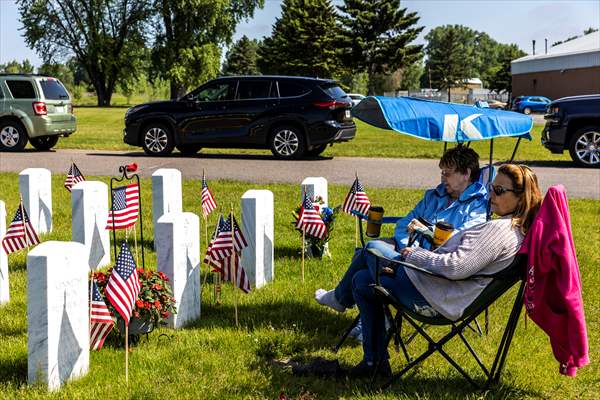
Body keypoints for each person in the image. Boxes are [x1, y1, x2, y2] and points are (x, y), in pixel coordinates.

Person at [348, 164, 542, 377]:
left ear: (521, 198)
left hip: (434, 297)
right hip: (438, 289)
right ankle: (374, 363)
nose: (491, 195)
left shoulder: (500, 231)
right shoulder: (514, 230)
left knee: (372, 248)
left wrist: (413, 254)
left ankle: (342, 304)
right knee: (363, 280)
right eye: (491, 188)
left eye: (499, 191)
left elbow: (455, 267)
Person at [315, 146, 489, 316]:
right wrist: (405, 247)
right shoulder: (434, 196)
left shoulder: (478, 207)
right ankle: (374, 319)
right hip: (406, 251)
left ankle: (340, 299)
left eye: (447, 173)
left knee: (371, 249)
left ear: (466, 173)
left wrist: (424, 234)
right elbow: (404, 224)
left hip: (432, 265)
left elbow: (458, 240)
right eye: (442, 172)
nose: (443, 179)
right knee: (364, 271)